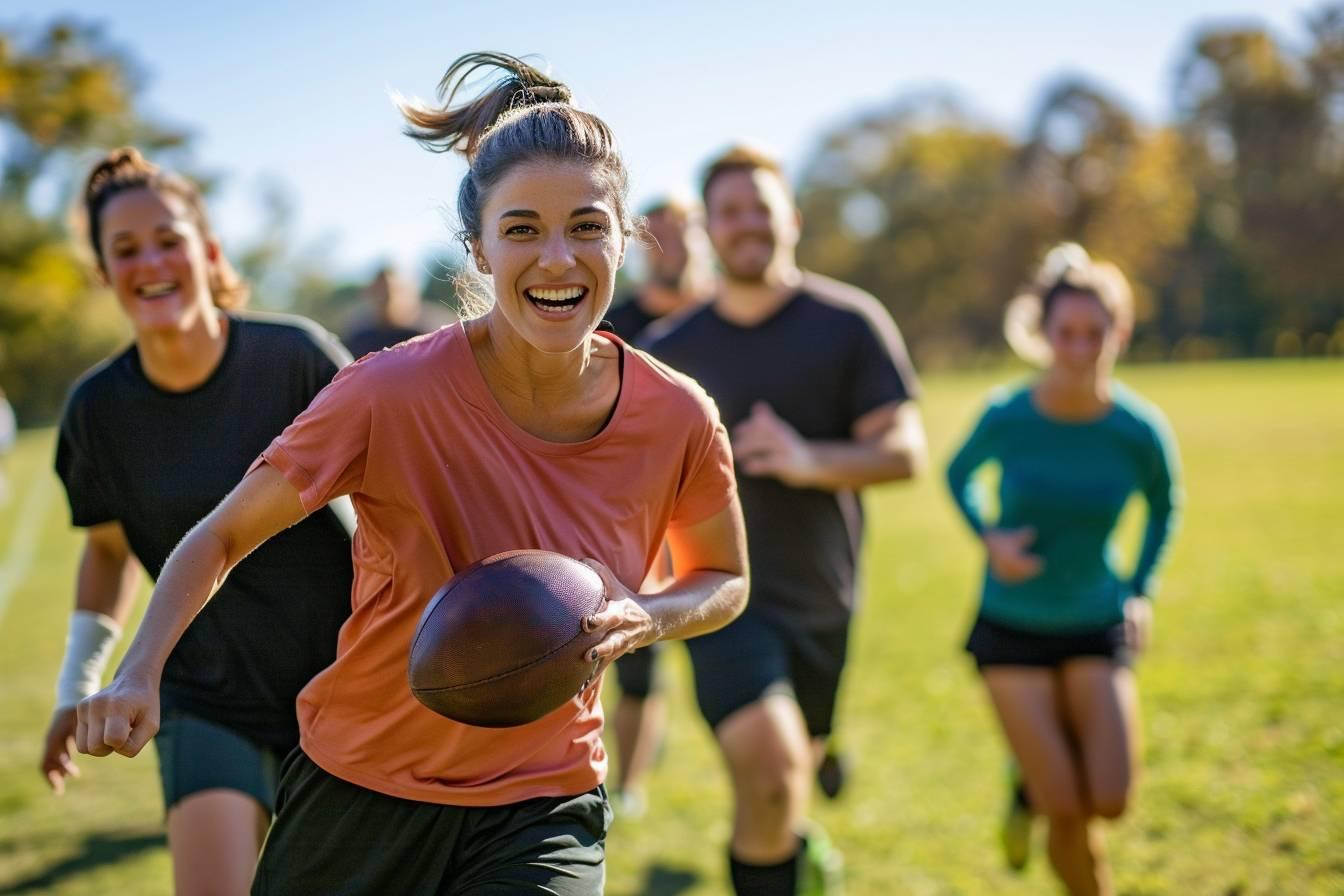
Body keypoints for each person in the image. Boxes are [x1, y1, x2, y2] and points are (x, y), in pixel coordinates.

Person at [75, 53, 749, 896]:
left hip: (545, 795)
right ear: (477, 248)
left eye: (586, 226)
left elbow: (723, 578)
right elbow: (222, 535)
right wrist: (138, 669)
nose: (557, 259)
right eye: (521, 230)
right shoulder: (386, 392)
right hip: (362, 784)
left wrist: (647, 615)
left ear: (625, 237)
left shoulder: (680, 416)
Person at [41, 147, 355, 896]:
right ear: (105, 273)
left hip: (344, 684)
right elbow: (109, 553)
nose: (151, 261)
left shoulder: (297, 358)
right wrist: (78, 685)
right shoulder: (96, 411)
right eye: (126, 249)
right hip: (202, 694)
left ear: (208, 252)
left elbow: (401, 497)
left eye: (169, 239)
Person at [644, 145, 926, 895]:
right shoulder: (668, 355)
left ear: (791, 218)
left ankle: (801, 844)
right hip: (715, 596)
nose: (747, 225)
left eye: (761, 209)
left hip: (824, 595)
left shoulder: (849, 323)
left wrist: (809, 460)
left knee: (794, 767)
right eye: (729, 212)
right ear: (707, 228)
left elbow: (904, 452)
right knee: (770, 778)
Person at [945, 244, 1182, 896]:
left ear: (1120, 333)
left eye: (1095, 334)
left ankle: (1030, 784)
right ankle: (1034, 792)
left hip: (1095, 618)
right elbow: (957, 475)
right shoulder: (1008, 415)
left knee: (1108, 798)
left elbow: (1165, 505)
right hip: (1010, 627)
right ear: (1043, 335)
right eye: (1065, 334)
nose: (1079, 349)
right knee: (1067, 810)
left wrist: (1140, 591)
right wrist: (989, 537)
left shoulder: (1138, 429)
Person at [602, 194, 712, 819]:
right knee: (633, 645)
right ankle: (630, 782)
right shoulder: (616, 320)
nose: (673, 244)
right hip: (631, 507)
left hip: (707, 506)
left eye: (683, 230)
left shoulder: (723, 316)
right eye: (659, 234)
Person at [343, 264, 451, 358]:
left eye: (389, 292)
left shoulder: (422, 339)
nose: (383, 297)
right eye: (378, 292)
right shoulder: (359, 340)